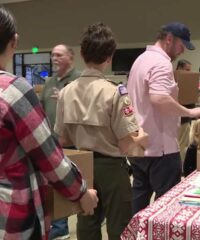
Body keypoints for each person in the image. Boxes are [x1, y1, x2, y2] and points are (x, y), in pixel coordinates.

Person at [0, 7, 98, 240]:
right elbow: (49, 158)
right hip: (11, 218)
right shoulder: (12, 90)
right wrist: (81, 192)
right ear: (14, 42)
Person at [54, 22, 148, 240]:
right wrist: (141, 137)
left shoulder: (66, 93)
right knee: (119, 227)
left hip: (81, 168)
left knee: (86, 226)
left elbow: (62, 138)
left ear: (82, 54)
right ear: (109, 57)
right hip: (112, 168)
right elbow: (126, 144)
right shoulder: (115, 92)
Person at [127, 22, 200, 215]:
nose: (181, 52)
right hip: (161, 148)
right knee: (165, 209)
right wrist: (189, 112)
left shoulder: (140, 60)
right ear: (169, 39)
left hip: (140, 145)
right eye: (181, 46)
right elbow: (159, 98)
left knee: (139, 203)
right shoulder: (161, 63)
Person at [40, 43, 80, 240]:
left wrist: (65, 99)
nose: (54, 58)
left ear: (70, 58)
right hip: (50, 144)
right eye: (52, 55)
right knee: (50, 186)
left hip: (72, 144)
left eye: (59, 55)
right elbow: (39, 109)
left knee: (66, 185)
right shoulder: (49, 82)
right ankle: (56, 226)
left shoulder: (78, 80)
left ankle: (61, 227)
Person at [176, 59, 194, 163]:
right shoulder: (177, 80)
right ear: (179, 68)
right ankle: (181, 167)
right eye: (187, 70)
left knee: (182, 143)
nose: (189, 72)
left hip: (185, 116)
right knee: (182, 144)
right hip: (181, 117)